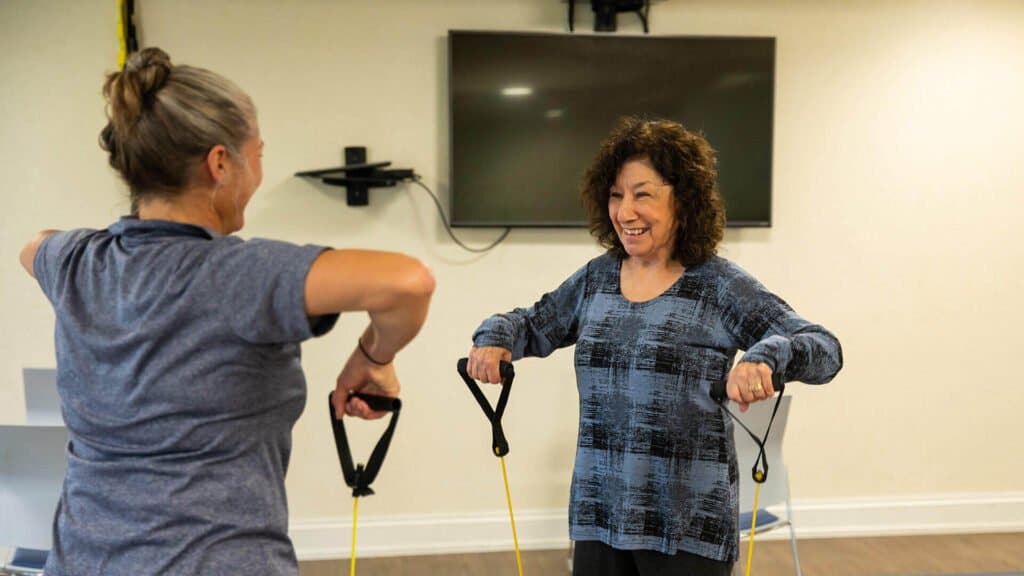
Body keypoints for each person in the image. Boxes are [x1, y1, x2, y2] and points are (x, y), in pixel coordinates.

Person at [18, 47, 434, 576]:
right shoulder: (242, 273)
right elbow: (408, 283)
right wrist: (373, 356)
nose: (259, 170)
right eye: (257, 153)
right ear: (220, 163)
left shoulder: (78, 262)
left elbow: (33, 247)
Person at [466, 117, 843, 576]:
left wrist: (767, 357)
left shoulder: (718, 286)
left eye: (642, 194)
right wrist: (494, 338)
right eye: (615, 196)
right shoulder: (596, 280)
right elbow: (530, 325)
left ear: (683, 200)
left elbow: (824, 349)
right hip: (598, 519)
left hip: (688, 528)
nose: (625, 212)